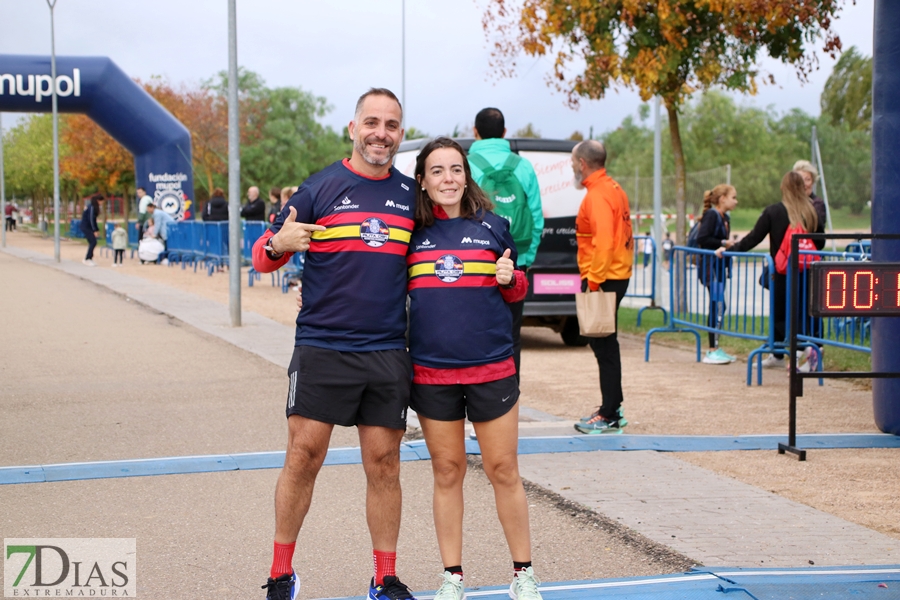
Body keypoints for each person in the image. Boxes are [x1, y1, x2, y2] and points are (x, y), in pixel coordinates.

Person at [251, 88, 418, 600]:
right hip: (323, 345)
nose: (380, 133)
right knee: (303, 455)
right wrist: (279, 244)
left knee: (385, 463)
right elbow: (262, 255)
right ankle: (282, 573)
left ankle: (384, 577)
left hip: (387, 350)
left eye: (391, 125)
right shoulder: (319, 188)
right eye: (372, 122)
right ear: (353, 128)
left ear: (400, 134)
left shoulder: (414, 197)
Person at [408, 137, 543, 600]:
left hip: (491, 369)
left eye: (456, 170)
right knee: (447, 472)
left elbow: (516, 288)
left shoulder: (495, 225)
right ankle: (453, 578)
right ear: (423, 182)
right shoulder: (411, 233)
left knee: (503, 468)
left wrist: (512, 279)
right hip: (431, 374)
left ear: (467, 176)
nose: (448, 179)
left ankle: (523, 575)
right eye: (438, 171)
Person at [717, 171, 825, 369]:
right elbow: (821, 242)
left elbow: (753, 238)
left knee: (780, 314)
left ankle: (791, 349)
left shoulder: (773, 212)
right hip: (807, 271)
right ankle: (807, 349)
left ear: (782, 188)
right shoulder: (810, 211)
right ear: (802, 188)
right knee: (805, 312)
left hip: (783, 272)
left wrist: (730, 251)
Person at [467, 107, 544, 379]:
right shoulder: (522, 166)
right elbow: (536, 217)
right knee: (512, 335)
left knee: (473, 331)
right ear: (504, 133)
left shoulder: (467, 165)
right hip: (515, 264)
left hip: (475, 264)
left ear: (474, 132)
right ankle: (510, 395)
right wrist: (526, 259)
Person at [570, 140, 633, 434]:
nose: (572, 167)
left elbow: (605, 242)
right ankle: (612, 406)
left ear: (582, 163)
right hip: (615, 273)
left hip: (604, 277)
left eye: (573, 162)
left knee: (603, 344)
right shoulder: (614, 188)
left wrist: (593, 281)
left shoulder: (596, 196)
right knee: (605, 343)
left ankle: (610, 413)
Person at [696, 185, 738, 365]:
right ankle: (712, 349)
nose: (736, 201)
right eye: (733, 197)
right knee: (717, 304)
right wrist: (723, 243)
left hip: (720, 268)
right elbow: (702, 238)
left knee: (720, 305)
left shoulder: (725, 217)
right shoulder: (712, 215)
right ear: (722, 199)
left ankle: (716, 347)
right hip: (710, 268)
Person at [793, 160, 827, 230]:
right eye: (800, 180)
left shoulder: (818, 204)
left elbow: (816, 229)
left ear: (813, 182)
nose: (804, 184)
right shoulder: (789, 202)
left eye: (807, 179)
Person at [80, 194, 104, 267]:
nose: (102, 203)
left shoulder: (93, 207)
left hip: (88, 226)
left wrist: (97, 229)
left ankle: (90, 258)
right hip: (86, 226)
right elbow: (91, 219)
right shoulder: (92, 207)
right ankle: (87, 258)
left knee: (92, 242)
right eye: (101, 202)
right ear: (98, 201)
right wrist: (94, 230)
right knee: (93, 242)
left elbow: (94, 220)